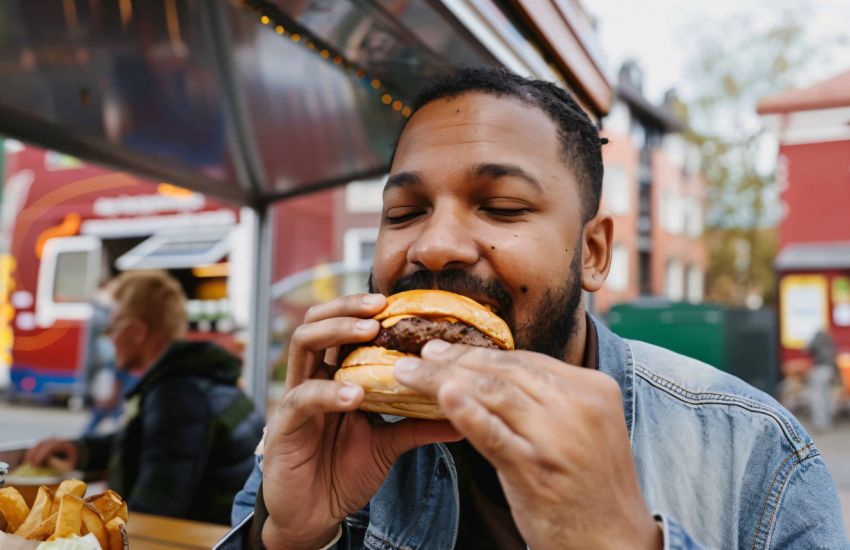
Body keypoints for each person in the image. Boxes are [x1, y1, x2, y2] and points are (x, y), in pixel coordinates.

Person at [219, 68, 848, 548]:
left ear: (594, 252)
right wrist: (289, 538)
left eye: (503, 207)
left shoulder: (754, 452)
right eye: (404, 214)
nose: (434, 246)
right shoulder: (325, 424)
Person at [26, 270, 265, 525]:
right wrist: (82, 450)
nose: (110, 339)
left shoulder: (175, 396)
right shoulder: (198, 376)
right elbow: (156, 445)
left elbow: (155, 509)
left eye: (112, 328)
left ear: (137, 331)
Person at [807, 329, 838, 431]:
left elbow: (808, 349)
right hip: (830, 370)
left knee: (817, 396)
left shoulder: (817, 341)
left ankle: (819, 422)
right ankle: (828, 421)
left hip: (820, 369)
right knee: (827, 396)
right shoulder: (829, 343)